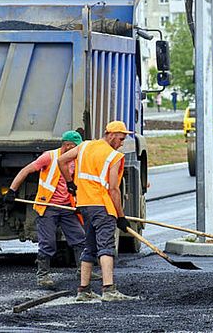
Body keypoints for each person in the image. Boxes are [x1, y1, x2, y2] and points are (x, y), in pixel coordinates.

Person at [4, 130, 100, 287]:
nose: (77, 150)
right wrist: (12, 191)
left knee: (80, 240)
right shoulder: (49, 157)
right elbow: (26, 170)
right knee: (48, 242)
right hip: (48, 207)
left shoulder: (77, 159)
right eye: (75, 146)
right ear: (68, 145)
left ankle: (82, 271)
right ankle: (43, 275)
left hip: (68, 207)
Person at [57, 120, 138, 302]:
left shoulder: (85, 146)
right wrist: (121, 216)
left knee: (90, 246)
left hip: (84, 205)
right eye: (121, 138)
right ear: (111, 135)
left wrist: (70, 183)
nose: (122, 142)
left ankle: (83, 291)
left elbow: (61, 160)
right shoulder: (113, 156)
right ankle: (109, 290)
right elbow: (113, 190)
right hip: (102, 206)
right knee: (106, 247)